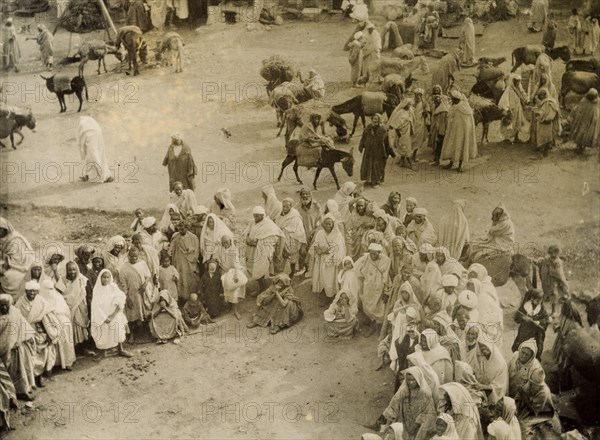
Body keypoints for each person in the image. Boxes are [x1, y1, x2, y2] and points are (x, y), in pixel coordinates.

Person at [14, 281, 58, 386]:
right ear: (26, 291)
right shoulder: (20, 303)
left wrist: (50, 332)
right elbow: (16, 318)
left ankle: (40, 376)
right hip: (27, 332)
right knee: (30, 356)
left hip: (41, 330)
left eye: (34, 291)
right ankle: (31, 378)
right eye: (30, 291)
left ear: (37, 291)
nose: (32, 293)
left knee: (43, 354)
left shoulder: (41, 301)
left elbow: (48, 313)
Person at [507, 339, 555, 433]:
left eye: (527, 354)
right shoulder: (515, 356)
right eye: (523, 352)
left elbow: (534, 411)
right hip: (526, 402)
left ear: (532, 356)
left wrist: (523, 396)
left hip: (539, 412)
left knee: (522, 426)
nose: (524, 356)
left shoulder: (542, 392)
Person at [379, 367, 436, 439]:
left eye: (413, 380)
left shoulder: (425, 393)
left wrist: (416, 424)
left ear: (418, 379)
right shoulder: (403, 391)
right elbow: (394, 404)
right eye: (408, 380)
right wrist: (388, 423)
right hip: (405, 423)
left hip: (419, 426)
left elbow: (428, 413)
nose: (411, 382)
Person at [0, 293, 36, 401]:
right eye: (1, 305)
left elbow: (24, 327)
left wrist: (25, 339)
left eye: (6, 305)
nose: (3, 307)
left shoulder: (15, 313)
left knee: (20, 371)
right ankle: (9, 395)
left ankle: (22, 392)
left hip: (15, 349)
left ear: (10, 305)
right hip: (2, 351)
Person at [90, 269, 133, 357]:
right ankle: (102, 352)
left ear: (110, 278)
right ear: (100, 278)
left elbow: (121, 300)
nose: (106, 279)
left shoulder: (113, 287)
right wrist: (104, 317)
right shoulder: (97, 289)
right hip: (103, 316)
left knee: (118, 330)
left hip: (114, 314)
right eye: (104, 277)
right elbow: (95, 305)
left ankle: (121, 349)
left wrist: (113, 315)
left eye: (107, 277)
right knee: (104, 333)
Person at [242, 206, 284, 293]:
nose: (255, 218)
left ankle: (263, 290)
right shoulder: (252, 222)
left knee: (261, 269)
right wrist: (247, 239)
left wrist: (253, 243)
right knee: (254, 268)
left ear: (262, 215)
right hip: (252, 251)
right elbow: (247, 233)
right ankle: (261, 289)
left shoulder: (268, 225)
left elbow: (272, 239)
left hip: (262, 253)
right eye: (254, 215)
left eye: (257, 216)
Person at [355, 243, 391, 333]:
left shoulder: (386, 260)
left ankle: (378, 324)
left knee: (380, 307)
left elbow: (386, 276)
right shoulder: (366, 259)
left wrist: (386, 291)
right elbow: (356, 267)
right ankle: (371, 321)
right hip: (368, 286)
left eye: (375, 254)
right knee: (367, 304)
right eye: (371, 253)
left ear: (379, 253)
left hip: (379, 288)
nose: (372, 256)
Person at [309, 214, 346, 302]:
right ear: (323, 224)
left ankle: (330, 296)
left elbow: (337, 247)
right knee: (321, 276)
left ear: (333, 224)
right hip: (321, 259)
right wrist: (317, 249)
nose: (328, 226)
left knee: (329, 278)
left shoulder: (337, 235)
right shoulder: (320, 233)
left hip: (331, 260)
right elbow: (316, 243)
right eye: (326, 224)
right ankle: (323, 292)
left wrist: (323, 251)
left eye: (330, 224)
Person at [440, 90, 478, 173]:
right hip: (453, 131)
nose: (452, 101)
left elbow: (468, 122)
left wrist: (465, 130)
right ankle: (451, 163)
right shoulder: (453, 106)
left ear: (457, 99)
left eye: (454, 99)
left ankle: (461, 165)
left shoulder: (465, 108)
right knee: (452, 145)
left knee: (461, 146)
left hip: (462, 132)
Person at [55, 261, 90, 349]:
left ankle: (82, 347)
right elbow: (59, 294)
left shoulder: (81, 279)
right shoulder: (63, 280)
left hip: (80, 307)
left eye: (74, 269)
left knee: (80, 325)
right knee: (71, 325)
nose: (72, 272)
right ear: (66, 271)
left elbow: (84, 293)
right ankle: (73, 348)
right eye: (69, 270)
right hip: (68, 308)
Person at [0, 217, 34, 298]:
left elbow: (18, 259)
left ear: (6, 228)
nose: (0, 232)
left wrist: (4, 264)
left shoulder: (15, 239)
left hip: (21, 265)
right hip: (9, 262)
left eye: (2, 229)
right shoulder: (2, 239)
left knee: (8, 276)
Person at [359, 114, 395, 188]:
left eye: (376, 119)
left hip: (379, 152)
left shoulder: (382, 130)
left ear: (379, 120)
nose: (374, 120)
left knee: (377, 167)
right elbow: (363, 137)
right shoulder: (368, 128)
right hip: (368, 152)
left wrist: (391, 152)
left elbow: (387, 142)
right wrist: (361, 146)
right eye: (373, 119)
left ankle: (376, 182)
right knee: (367, 165)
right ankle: (368, 180)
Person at [169, 220, 200, 305]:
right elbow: (171, 248)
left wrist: (192, 256)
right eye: (180, 229)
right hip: (179, 261)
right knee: (180, 279)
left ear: (187, 228)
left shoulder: (193, 237)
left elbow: (196, 251)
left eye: (183, 229)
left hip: (189, 262)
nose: (181, 230)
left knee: (190, 279)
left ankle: (192, 298)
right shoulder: (176, 237)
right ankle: (182, 298)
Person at [512, 289, 549, 359]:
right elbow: (516, 318)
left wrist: (539, 322)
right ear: (532, 299)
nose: (540, 302)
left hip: (536, 334)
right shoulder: (525, 307)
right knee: (523, 346)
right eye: (538, 300)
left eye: (541, 300)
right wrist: (523, 318)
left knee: (535, 348)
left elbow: (546, 319)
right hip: (525, 331)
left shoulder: (542, 309)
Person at [536, 244, 569, 319]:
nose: (552, 255)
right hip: (547, 281)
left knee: (554, 294)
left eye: (554, 253)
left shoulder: (558, 262)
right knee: (548, 293)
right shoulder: (547, 259)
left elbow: (559, 273)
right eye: (550, 253)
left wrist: (550, 270)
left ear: (557, 253)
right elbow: (542, 261)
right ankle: (544, 309)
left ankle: (554, 311)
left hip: (555, 281)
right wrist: (539, 262)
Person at [276, 198, 307, 278]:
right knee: (282, 259)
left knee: (292, 260)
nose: (285, 208)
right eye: (283, 206)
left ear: (291, 206)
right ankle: (282, 277)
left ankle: (291, 276)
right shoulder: (280, 214)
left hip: (293, 241)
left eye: (287, 206)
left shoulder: (295, 216)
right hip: (282, 240)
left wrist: (302, 243)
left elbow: (300, 231)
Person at [77, 116, 113, 183]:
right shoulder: (85, 124)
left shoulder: (82, 128)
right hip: (95, 132)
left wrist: (83, 154)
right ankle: (88, 175)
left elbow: (80, 144)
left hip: (93, 135)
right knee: (92, 156)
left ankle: (106, 176)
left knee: (94, 156)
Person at [472, 338, 508, 403]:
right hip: (483, 394)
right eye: (481, 347)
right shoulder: (483, 358)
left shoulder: (500, 364)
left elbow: (500, 386)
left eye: (486, 347)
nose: (483, 349)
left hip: (496, 397)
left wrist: (485, 387)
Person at [568, 88, 600, 155]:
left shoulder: (597, 101)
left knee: (588, 135)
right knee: (580, 133)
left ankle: (583, 146)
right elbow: (579, 110)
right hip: (582, 121)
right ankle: (579, 146)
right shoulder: (584, 100)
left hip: (591, 122)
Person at [499, 73, 529, 143]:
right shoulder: (509, 89)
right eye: (516, 81)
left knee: (517, 122)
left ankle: (516, 137)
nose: (518, 82)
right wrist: (506, 108)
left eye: (519, 81)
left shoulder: (519, 88)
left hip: (518, 108)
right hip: (511, 109)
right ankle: (507, 138)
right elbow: (505, 98)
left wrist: (526, 99)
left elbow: (523, 94)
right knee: (509, 123)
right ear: (513, 81)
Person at [298, 187, 321, 274]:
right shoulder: (298, 207)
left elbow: (320, 219)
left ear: (310, 195)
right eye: (302, 194)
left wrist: (315, 230)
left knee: (312, 251)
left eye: (306, 194)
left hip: (313, 232)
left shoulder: (316, 207)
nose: (305, 196)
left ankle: (311, 269)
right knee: (302, 251)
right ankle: (304, 268)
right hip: (302, 233)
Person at [387, 99, 414, 170]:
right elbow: (393, 124)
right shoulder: (400, 112)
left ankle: (402, 162)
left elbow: (412, 121)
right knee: (406, 148)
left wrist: (412, 130)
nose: (409, 106)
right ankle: (411, 165)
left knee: (405, 147)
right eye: (408, 104)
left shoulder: (410, 111)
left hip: (408, 132)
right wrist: (398, 133)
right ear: (404, 104)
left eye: (410, 104)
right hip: (402, 133)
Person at [428, 92, 449, 165]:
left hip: (441, 130)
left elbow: (443, 122)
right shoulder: (438, 109)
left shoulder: (443, 110)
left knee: (439, 145)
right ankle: (436, 159)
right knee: (437, 145)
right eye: (435, 101)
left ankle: (437, 160)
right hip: (438, 129)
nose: (435, 102)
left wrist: (441, 131)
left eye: (437, 101)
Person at [411, 88, 430, 162]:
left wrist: (426, 113)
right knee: (408, 140)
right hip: (411, 123)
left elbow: (427, 113)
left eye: (420, 95)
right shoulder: (411, 102)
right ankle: (405, 156)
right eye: (416, 95)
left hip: (420, 124)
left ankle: (414, 155)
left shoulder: (424, 103)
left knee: (418, 140)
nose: (418, 97)